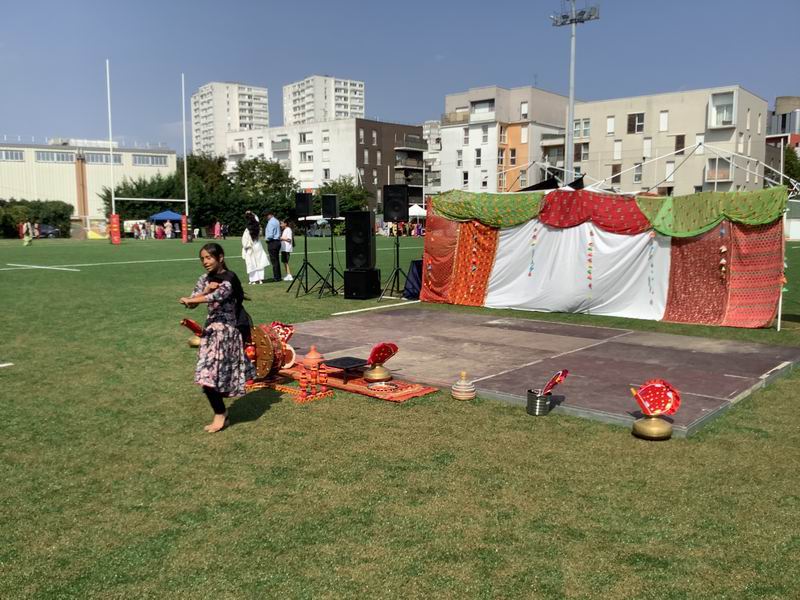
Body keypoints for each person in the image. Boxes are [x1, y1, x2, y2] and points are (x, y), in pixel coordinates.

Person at [179, 243, 252, 433]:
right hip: (211, 332)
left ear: (220, 257)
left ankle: (220, 414)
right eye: (202, 258)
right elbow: (193, 303)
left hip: (228, 332)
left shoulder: (229, 278)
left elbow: (215, 297)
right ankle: (221, 413)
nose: (205, 262)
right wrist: (203, 291)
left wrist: (199, 297)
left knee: (212, 375)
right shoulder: (204, 279)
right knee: (206, 376)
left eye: (209, 258)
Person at [241, 212, 270, 284]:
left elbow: (244, 240)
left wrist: (246, 246)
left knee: (251, 263)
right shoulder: (258, 227)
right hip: (257, 245)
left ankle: (253, 279)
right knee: (259, 262)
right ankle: (260, 279)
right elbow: (257, 220)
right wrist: (252, 213)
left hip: (250, 246)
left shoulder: (247, 229)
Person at [264, 211, 282, 282]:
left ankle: (276, 277)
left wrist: (267, 239)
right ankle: (278, 276)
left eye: (266, 216)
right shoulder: (277, 221)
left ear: (270, 215)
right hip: (277, 242)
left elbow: (270, 235)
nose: (266, 217)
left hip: (272, 242)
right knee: (276, 260)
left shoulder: (271, 222)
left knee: (274, 261)